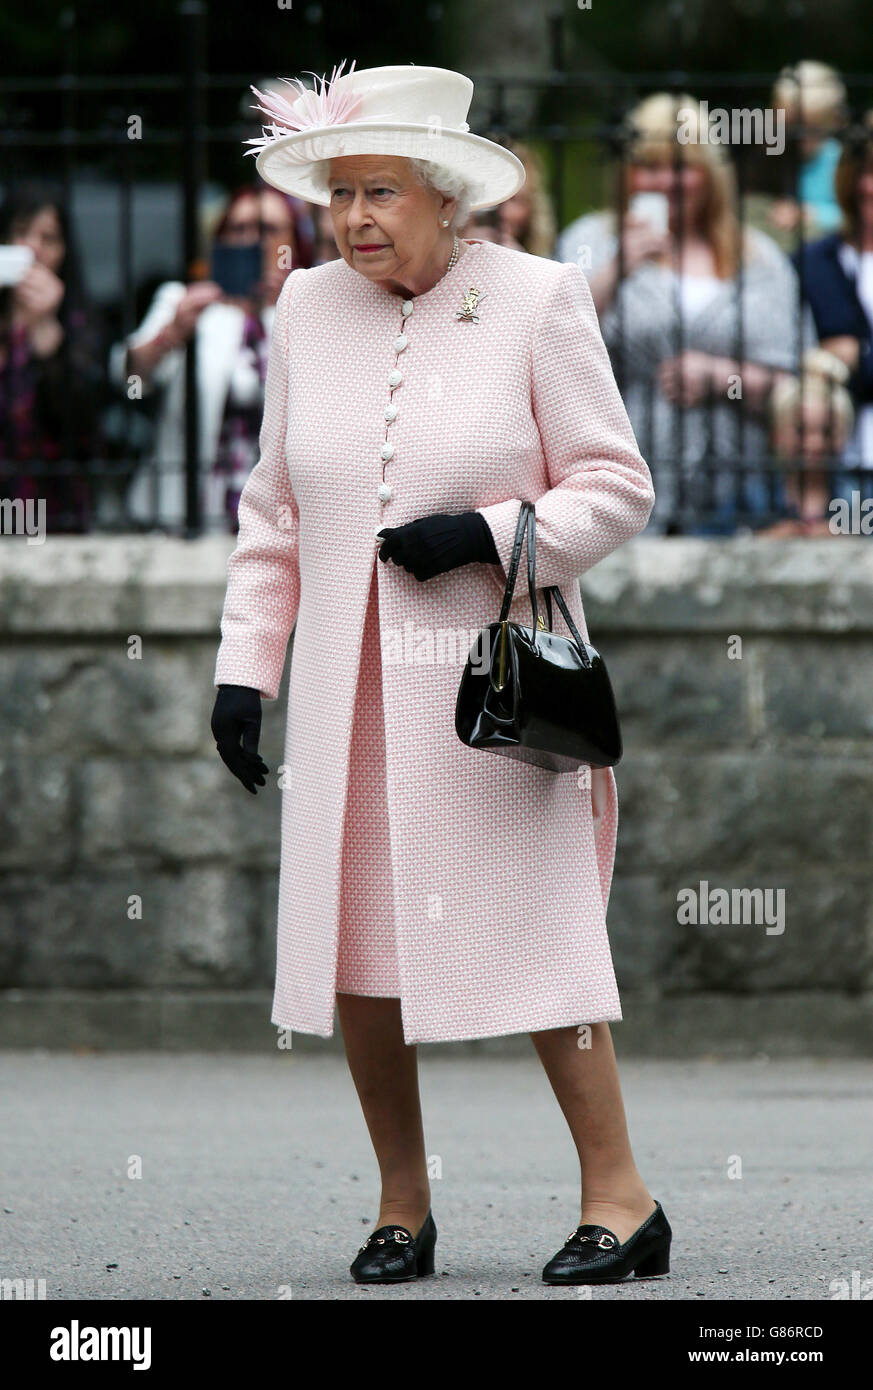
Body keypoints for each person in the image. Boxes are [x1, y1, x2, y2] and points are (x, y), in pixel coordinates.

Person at [210, 60, 670, 1287]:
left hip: (487, 693)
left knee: (542, 938)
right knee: (357, 949)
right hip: (347, 694)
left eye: (381, 191)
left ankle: (622, 1200)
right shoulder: (304, 309)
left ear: (447, 195)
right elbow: (273, 510)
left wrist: (488, 534)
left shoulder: (536, 297)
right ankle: (402, 1207)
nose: (355, 217)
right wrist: (244, 670)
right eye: (340, 194)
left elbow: (618, 487)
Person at [558, 92, 803, 535]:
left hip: (737, 497)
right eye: (649, 167)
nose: (664, 182)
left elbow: (794, 379)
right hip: (617, 488)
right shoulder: (589, 240)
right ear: (628, 174)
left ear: (709, 176)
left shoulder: (760, 257)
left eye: (681, 167)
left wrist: (721, 376)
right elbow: (555, 343)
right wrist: (619, 268)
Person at [108, 182, 314, 532]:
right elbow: (128, 380)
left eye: (268, 229)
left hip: (282, 520)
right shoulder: (186, 302)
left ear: (292, 241)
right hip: (192, 513)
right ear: (221, 241)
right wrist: (171, 334)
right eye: (239, 229)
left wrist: (289, 301)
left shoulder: (312, 308)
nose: (254, 239)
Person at [0, 184, 107, 533]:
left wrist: (47, 337)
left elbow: (85, 429)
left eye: (48, 238)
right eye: (20, 232)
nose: (32, 248)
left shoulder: (79, 324)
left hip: (52, 510)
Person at [793, 114, 873, 510]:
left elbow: (841, 358)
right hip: (841, 468)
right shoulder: (814, 262)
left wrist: (857, 358)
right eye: (866, 173)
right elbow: (799, 361)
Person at [756, 349, 855, 537]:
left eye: (827, 432)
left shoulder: (862, 499)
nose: (814, 443)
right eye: (801, 430)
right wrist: (765, 541)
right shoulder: (752, 500)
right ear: (776, 434)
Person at [768, 61, 847, 240]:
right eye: (790, 127)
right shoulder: (779, 157)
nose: (797, 138)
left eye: (809, 128)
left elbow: (854, 213)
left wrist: (811, 214)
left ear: (832, 122)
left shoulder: (839, 161)